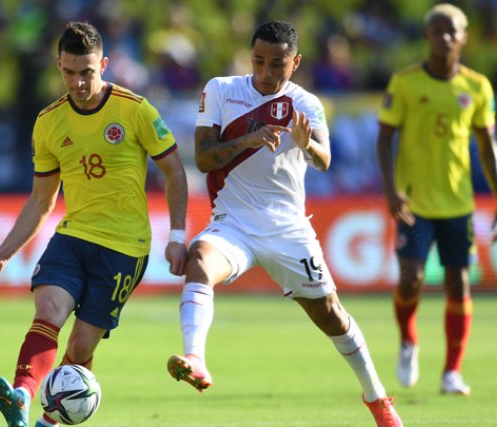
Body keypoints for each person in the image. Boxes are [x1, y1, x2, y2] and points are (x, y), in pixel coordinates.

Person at [166, 21, 403, 427]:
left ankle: (377, 398)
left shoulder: (306, 104)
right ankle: (195, 359)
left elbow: (324, 160)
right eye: (259, 61)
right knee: (198, 261)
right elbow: (204, 158)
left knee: (331, 314)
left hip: (288, 228)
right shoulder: (221, 90)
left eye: (277, 64)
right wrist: (247, 139)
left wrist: (305, 140)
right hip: (233, 223)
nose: (265, 72)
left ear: (296, 62)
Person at [0, 21, 189, 427]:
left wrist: (177, 236)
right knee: (49, 308)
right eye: (69, 72)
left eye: (86, 72)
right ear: (58, 65)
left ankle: (48, 421)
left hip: (125, 247)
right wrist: (2, 254)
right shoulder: (49, 122)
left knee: (82, 343)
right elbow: (41, 200)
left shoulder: (135, 110)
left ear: (103, 64)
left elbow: (175, 172)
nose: (78, 82)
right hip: (74, 237)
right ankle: (21, 395)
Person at [375, 4, 497, 396]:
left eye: (452, 30)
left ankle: (452, 372)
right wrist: (389, 189)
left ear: (464, 37)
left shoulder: (477, 87)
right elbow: (384, 139)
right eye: (437, 30)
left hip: (457, 203)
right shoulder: (404, 83)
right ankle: (407, 340)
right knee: (411, 278)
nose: (445, 37)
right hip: (413, 203)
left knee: (459, 284)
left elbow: (488, 146)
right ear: (426, 36)